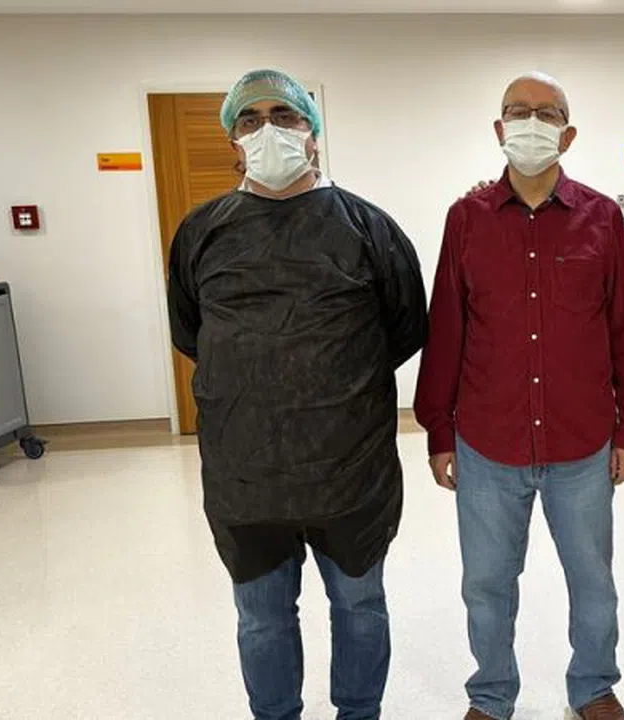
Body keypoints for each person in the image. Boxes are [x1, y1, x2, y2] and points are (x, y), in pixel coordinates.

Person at [166, 68, 428, 720]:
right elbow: (192, 333)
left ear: (312, 132)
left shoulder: (368, 227)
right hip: (246, 475)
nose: (268, 130)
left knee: (360, 606)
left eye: (284, 116)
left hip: (351, 471)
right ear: (233, 139)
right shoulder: (202, 232)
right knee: (261, 618)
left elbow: (404, 329)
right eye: (250, 119)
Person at [414, 72, 624, 720]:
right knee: (486, 585)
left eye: (548, 113)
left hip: (582, 441)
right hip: (488, 442)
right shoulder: (466, 219)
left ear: (568, 135)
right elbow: (447, 329)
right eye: (518, 111)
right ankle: (491, 696)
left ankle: (593, 687)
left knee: (593, 582)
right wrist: (438, 431)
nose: (531, 122)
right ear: (499, 129)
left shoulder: (603, 218)